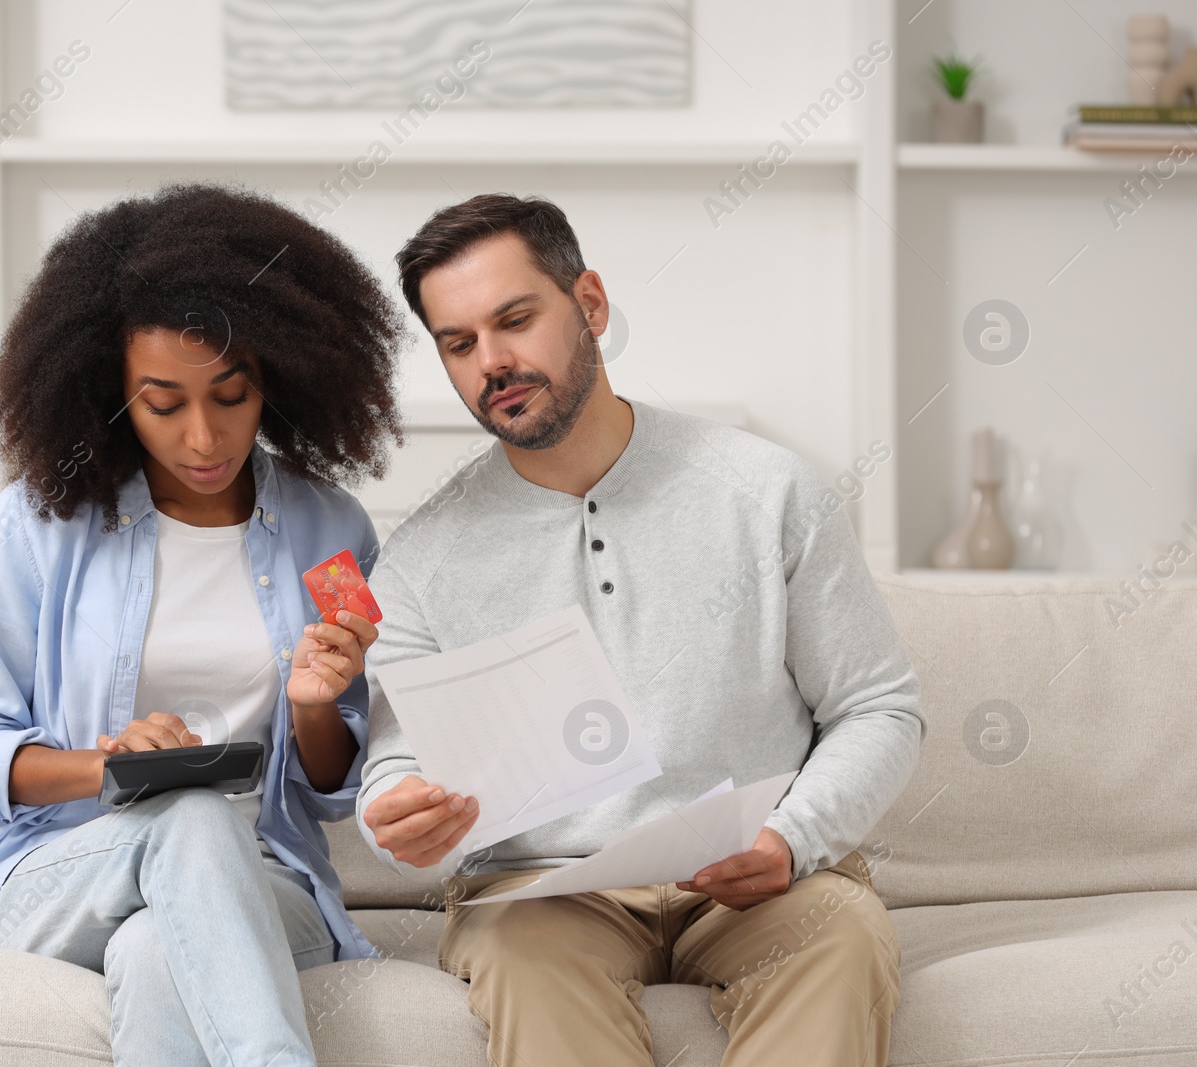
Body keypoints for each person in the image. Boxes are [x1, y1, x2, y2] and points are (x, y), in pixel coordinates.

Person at [356, 193, 925, 1067]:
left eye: (516, 320)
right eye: (459, 343)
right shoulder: (420, 560)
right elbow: (400, 757)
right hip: (539, 893)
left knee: (839, 936)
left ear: (589, 304)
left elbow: (878, 705)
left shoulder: (767, 490)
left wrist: (794, 838)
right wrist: (391, 811)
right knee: (523, 958)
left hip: (758, 871)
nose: (493, 362)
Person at [0, 183, 408, 1067]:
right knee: (192, 816)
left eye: (232, 396)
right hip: (58, 873)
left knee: (157, 946)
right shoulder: (40, 523)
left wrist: (317, 702)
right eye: (164, 403)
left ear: (275, 381)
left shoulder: (334, 533)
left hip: (261, 880)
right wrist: (109, 766)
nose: (204, 436)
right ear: (109, 393)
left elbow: (332, 791)